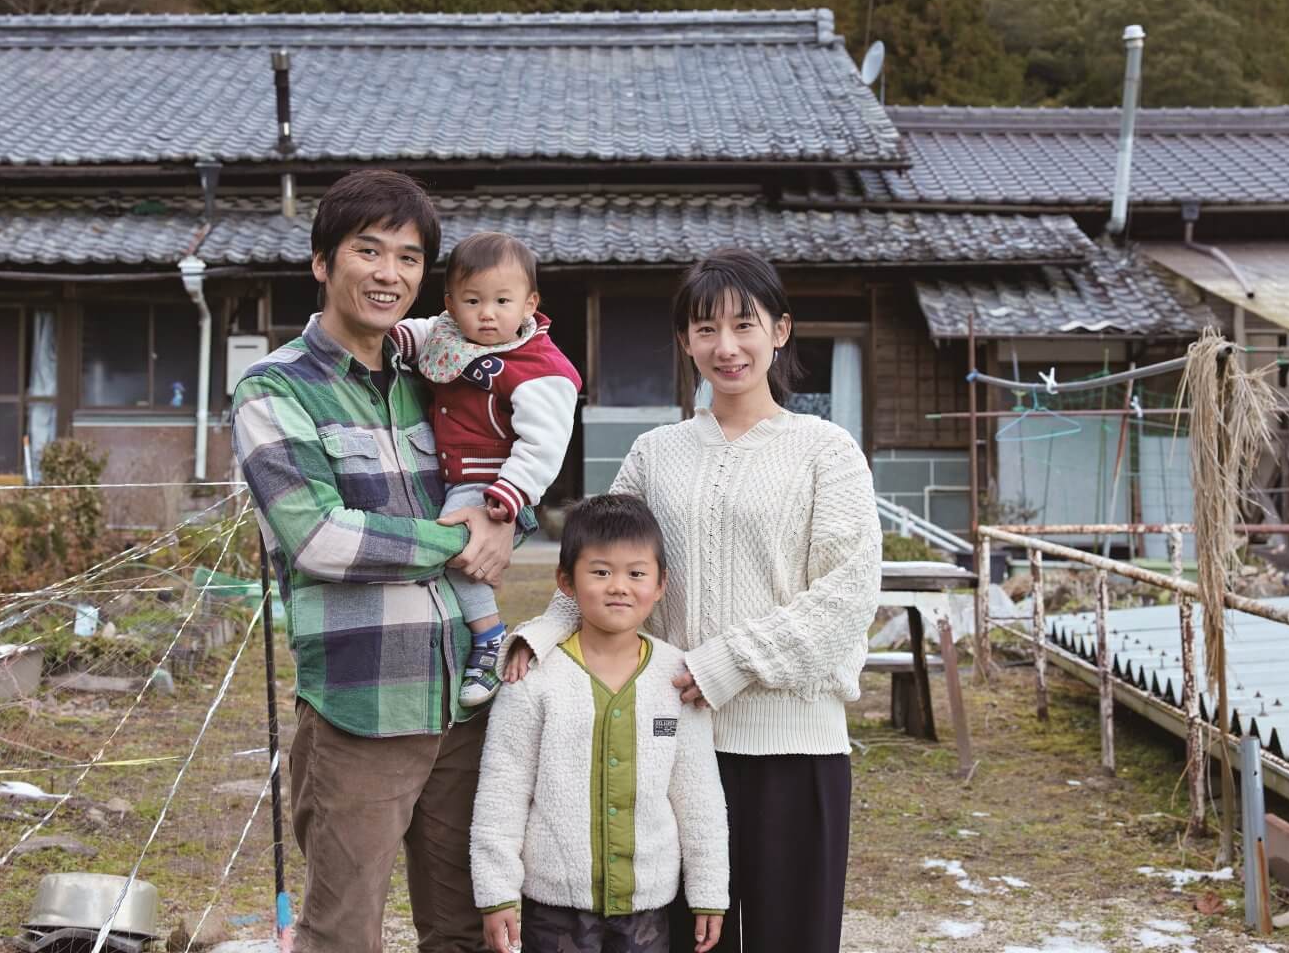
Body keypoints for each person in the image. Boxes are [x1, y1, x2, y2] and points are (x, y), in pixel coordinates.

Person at [505, 248, 881, 953]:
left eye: (745, 324)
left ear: (781, 330)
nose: (726, 346)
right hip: (670, 744)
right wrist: (543, 634)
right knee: (678, 943)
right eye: (705, 329)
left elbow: (849, 591)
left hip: (794, 749)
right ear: (685, 341)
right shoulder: (655, 452)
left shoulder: (825, 450)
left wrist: (729, 662)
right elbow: (601, 563)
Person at [231, 168, 519, 953]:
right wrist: (459, 540)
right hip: (362, 706)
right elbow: (320, 539)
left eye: (410, 257)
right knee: (344, 932)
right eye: (368, 251)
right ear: (322, 262)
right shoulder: (274, 389)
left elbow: (497, 460)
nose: (389, 274)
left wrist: (500, 519)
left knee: (467, 928)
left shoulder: (433, 371)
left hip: (463, 700)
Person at [471, 494, 727, 953]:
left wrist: (709, 891)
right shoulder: (533, 676)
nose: (619, 587)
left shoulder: (677, 678)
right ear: (566, 582)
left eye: (636, 573)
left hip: (648, 907)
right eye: (601, 572)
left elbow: (699, 797)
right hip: (553, 909)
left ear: (661, 583)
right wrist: (496, 894)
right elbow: (502, 790)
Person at [392, 231, 582, 707]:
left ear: (529, 303)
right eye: (472, 300)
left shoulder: (539, 368)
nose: (487, 313)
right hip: (451, 474)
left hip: (492, 482)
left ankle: (489, 637)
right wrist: (384, 335)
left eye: (502, 300)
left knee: (459, 553)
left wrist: (511, 492)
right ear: (451, 303)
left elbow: (544, 442)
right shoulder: (449, 336)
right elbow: (420, 333)